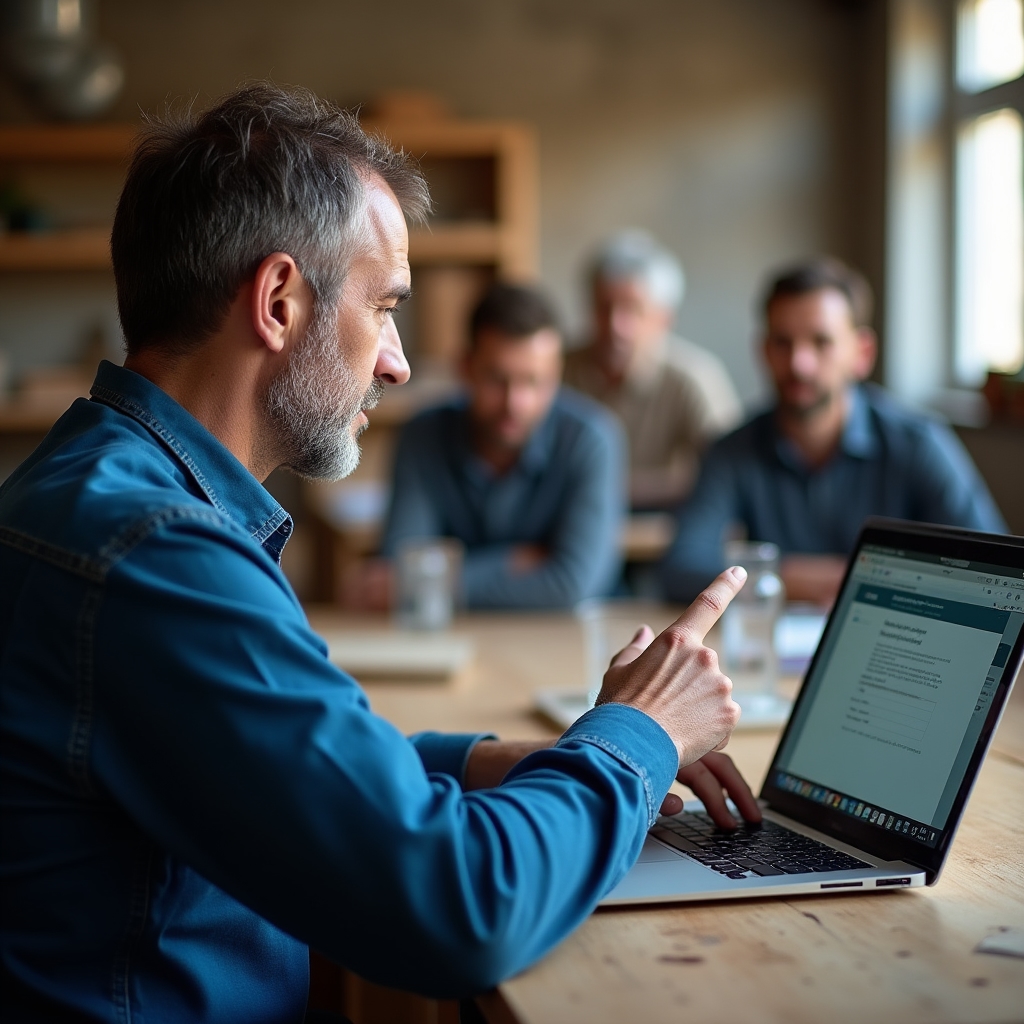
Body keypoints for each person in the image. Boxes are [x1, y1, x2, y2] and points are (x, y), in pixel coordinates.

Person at [0, 84, 761, 1024]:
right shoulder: (160, 555)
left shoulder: (96, 490)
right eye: (386, 305)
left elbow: (270, 758)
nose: (398, 361)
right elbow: (455, 907)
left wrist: (500, 762)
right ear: (279, 301)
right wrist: (641, 736)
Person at [661, 257, 1007, 606]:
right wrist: (790, 577)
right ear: (763, 351)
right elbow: (679, 568)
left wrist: (870, 580)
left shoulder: (918, 443)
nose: (799, 363)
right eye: (783, 342)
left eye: (821, 342)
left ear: (862, 353)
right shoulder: (732, 449)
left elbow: (996, 568)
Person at [378, 282, 624, 609]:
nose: (515, 403)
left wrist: (446, 576)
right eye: (497, 379)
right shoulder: (422, 434)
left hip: (561, 644)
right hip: (449, 642)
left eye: (533, 382)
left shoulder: (591, 440)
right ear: (465, 367)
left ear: (557, 374)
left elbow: (573, 583)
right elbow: (401, 576)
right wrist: (514, 562)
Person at [563, 230, 743, 510]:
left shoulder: (694, 377)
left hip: (661, 535)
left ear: (664, 318)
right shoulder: (558, 370)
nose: (615, 326)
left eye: (632, 310)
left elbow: (729, 473)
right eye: (604, 308)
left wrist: (611, 488)